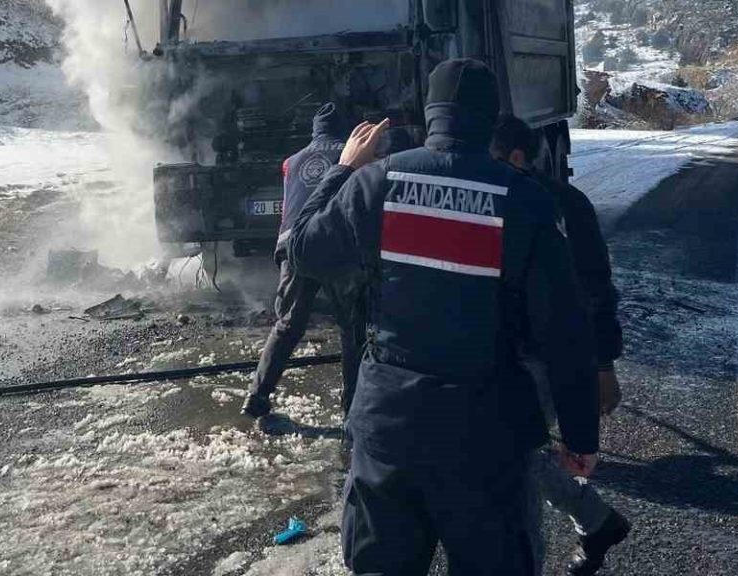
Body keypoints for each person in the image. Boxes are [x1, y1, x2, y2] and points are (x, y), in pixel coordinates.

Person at [290, 59, 600, 576]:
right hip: (487, 436)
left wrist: (342, 170)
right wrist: (580, 432)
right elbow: (563, 329)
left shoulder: (376, 182)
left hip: (388, 431)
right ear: (491, 117)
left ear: (431, 113)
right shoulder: (525, 200)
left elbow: (304, 250)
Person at [490, 114, 631, 576]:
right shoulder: (499, 198)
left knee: (513, 458)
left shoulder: (564, 206)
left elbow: (598, 289)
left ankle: (575, 532)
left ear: (516, 157)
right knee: (515, 451)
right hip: (512, 356)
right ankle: (597, 522)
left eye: (491, 157)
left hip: (549, 360)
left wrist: (604, 367)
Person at [243, 102, 364, 422]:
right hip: (333, 245)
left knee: (287, 324)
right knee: (351, 326)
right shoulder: (352, 154)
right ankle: (351, 407)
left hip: (293, 246)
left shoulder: (292, 161)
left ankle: (257, 395)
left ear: (314, 130)